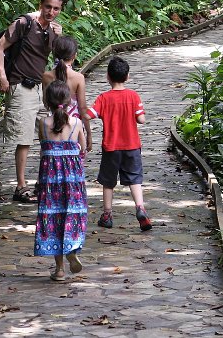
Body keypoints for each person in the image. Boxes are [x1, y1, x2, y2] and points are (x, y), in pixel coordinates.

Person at [0, 0, 66, 202]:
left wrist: (58, 38)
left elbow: (58, 59)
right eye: (47, 7)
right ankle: (21, 187)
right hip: (20, 86)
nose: (51, 12)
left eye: (56, 9)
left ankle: (44, 182)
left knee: (50, 133)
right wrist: (2, 76)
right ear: (40, 5)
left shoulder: (52, 30)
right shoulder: (24, 23)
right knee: (24, 139)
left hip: (40, 89)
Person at [87, 56, 152, 231]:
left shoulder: (103, 98)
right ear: (127, 76)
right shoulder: (133, 96)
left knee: (108, 181)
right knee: (135, 179)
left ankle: (107, 215)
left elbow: (89, 115)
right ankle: (140, 209)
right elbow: (141, 119)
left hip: (111, 147)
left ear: (107, 76)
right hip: (132, 146)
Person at [33, 80, 88, 282]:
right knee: (72, 214)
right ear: (69, 101)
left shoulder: (43, 124)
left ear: (46, 102)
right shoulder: (77, 123)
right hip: (73, 180)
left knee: (54, 217)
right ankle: (71, 247)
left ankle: (59, 270)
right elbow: (83, 149)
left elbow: (43, 147)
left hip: (50, 179)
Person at [41, 36, 93, 153]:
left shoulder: (46, 76)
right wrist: (89, 133)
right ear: (74, 56)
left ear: (54, 54)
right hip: (74, 127)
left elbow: (45, 103)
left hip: (52, 125)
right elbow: (83, 108)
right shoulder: (78, 78)